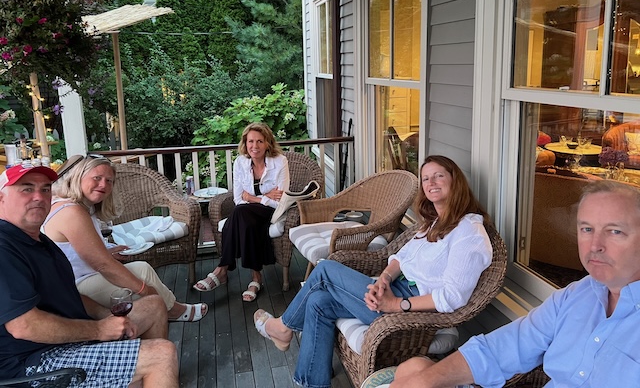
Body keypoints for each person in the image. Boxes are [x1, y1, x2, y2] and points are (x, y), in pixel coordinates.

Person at [253, 155, 494, 388]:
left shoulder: (468, 233)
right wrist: (385, 279)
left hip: (411, 312)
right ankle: (312, 382)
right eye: (425, 178)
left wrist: (397, 304)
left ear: (455, 181)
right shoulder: (435, 222)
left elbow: (452, 297)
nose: (430, 183)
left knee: (325, 268)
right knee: (318, 301)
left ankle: (283, 327)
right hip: (394, 289)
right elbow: (401, 257)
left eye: (438, 176)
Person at [390, 180, 640, 388]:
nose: (595, 244)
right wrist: (426, 381)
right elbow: (507, 347)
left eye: (614, 231)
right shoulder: (577, 296)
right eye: (587, 229)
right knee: (414, 369)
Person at [0, 163, 178, 386]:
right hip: (33, 365)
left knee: (153, 305)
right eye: (26, 189)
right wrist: (99, 329)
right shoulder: (5, 247)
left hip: (70, 340)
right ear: (1, 198)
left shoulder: (38, 241)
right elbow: (24, 326)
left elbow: (68, 293)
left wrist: (107, 317)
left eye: (45, 189)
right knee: (161, 355)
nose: (38, 197)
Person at [41, 155, 208, 322]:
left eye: (109, 181)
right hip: (73, 289)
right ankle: (168, 312)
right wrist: (144, 289)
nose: (103, 185)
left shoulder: (79, 206)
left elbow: (75, 253)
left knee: (143, 269)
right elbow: (103, 265)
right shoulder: (71, 212)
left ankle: (170, 309)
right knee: (144, 291)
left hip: (80, 277)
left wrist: (108, 252)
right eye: (97, 178)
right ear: (78, 176)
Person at [194, 122, 290, 302]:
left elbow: (280, 201)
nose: (255, 146)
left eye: (260, 141)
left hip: (271, 212)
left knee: (239, 213)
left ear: (268, 143)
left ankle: (223, 269)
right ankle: (255, 278)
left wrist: (253, 197)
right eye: (251, 141)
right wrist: (265, 195)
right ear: (245, 144)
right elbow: (238, 198)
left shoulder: (280, 162)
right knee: (243, 216)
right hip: (248, 212)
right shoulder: (240, 162)